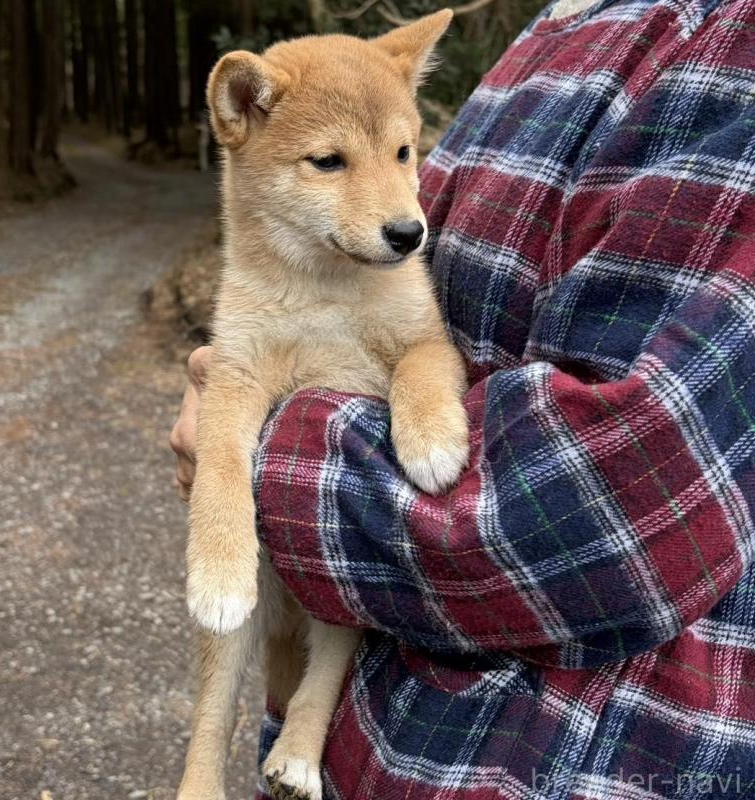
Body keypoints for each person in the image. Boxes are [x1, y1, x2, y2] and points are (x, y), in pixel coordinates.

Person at [171, 0, 755, 796]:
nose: (400, 204)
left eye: (406, 154)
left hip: (565, 758)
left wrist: (261, 466)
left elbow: (623, 512)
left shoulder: (728, 54)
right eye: (331, 162)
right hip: (373, 731)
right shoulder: (544, 33)